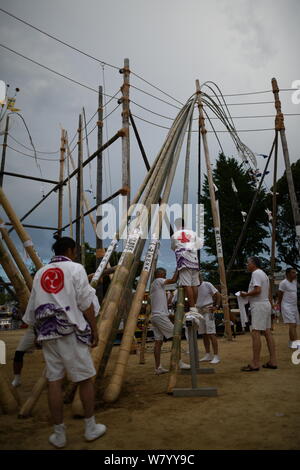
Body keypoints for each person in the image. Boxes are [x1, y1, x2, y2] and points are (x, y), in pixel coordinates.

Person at [22, 237, 106, 448]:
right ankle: (90, 427)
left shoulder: (41, 272)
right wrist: (95, 330)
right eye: (75, 250)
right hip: (71, 331)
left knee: (54, 381)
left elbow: (32, 309)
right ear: (70, 250)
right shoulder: (75, 269)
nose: (76, 253)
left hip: (47, 332)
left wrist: (37, 334)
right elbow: (86, 303)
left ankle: (59, 433)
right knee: (85, 379)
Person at [150, 267, 190, 375]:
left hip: (155, 316)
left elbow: (163, 303)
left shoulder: (155, 286)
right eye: (165, 274)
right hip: (160, 316)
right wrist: (178, 269)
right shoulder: (158, 281)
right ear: (160, 274)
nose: (165, 276)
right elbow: (172, 280)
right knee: (176, 335)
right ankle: (179, 362)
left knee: (158, 342)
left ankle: (158, 367)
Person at [240, 256, 277, 371]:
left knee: (255, 332)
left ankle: (255, 363)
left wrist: (245, 294)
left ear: (254, 264)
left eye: (248, 263)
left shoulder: (256, 273)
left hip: (259, 305)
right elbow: (266, 292)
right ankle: (273, 360)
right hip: (265, 304)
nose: (247, 265)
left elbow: (257, 290)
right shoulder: (264, 274)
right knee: (267, 332)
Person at [171, 219, 202, 316]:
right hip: (194, 259)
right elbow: (199, 245)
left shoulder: (175, 235)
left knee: (187, 284)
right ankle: (195, 306)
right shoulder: (193, 233)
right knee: (194, 284)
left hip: (184, 259)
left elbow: (173, 247)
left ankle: (192, 308)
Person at [196, 274, 222, 364]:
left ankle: (216, 355)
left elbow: (218, 295)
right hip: (199, 311)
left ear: (200, 277)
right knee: (204, 334)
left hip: (209, 310)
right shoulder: (193, 287)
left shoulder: (207, 284)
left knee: (211, 333)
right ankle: (208, 354)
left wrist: (217, 306)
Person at [278, 267, 300, 348]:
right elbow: (280, 295)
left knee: (294, 325)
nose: (295, 274)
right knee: (292, 324)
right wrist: (279, 305)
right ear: (287, 274)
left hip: (294, 306)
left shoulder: (294, 281)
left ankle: (292, 343)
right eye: (293, 272)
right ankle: (297, 344)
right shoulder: (283, 283)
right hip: (286, 306)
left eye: (295, 272)